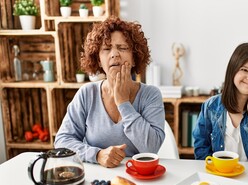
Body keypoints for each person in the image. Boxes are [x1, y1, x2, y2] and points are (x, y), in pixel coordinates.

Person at [55, 16, 165, 168]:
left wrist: (123, 103)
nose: (114, 54)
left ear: (134, 58)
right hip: (95, 179)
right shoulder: (87, 93)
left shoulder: (151, 95)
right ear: (99, 60)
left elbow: (151, 148)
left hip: (138, 178)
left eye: (123, 48)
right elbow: (62, 141)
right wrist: (97, 155)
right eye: (106, 49)